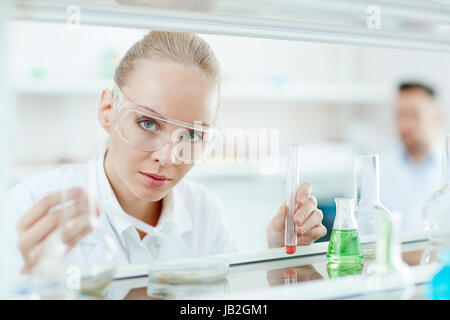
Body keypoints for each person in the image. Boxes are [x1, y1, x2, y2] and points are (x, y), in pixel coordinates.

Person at [10, 31, 327, 275]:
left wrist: (276, 259)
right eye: (147, 122)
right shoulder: (28, 208)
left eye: (191, 135)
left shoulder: (205, 213)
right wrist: (33, 286)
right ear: (108, 110)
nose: (169, 157)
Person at [380, 81, 446, 234]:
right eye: (400, 115)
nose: (405, 124)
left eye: (414, 115)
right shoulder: (378, 172)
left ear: (439, 117)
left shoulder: (444, 167)